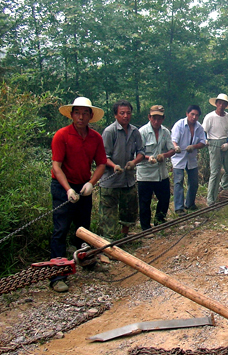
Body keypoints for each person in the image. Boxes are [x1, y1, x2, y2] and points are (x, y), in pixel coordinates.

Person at [50, 97, 107, 292]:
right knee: (61, 230)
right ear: (72, 114)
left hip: (83, 186)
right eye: (77, 113)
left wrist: (91, 183)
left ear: (91, 116)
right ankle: (58, 276)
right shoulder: (62, 135)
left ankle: (87, 260)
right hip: (62, 186)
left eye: (85, 113)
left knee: (84, 228)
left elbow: (101, 163)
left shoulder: (95, 138)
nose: (81, 117)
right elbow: (56, 166)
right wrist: (67, 189)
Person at [99, 100, 145, 238]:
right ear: (115, 115)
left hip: (128, 179)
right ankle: (108, 242)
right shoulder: (109, 131)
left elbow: (141, 151)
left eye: (128, 113)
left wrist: (134, 162)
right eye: (122, 113)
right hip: (110, 181)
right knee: (108, 213)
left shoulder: (135, 131)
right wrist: (114, 166)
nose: (125, 116)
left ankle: (124, 236)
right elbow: (103, 156)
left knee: (129, 210)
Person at [137, 105, 175, 231]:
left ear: (163, 118)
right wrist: (148, 158)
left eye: (159, 118)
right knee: (145, 201)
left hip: (161, 172)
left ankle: (159, 222)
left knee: (164, 198)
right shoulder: (142, 132)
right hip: (145, 173)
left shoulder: (165, 132)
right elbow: (136, 153)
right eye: (154, 118)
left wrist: (163, 155)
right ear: (149, 117)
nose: (156, 121)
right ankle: (146, 228)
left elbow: (172, 150)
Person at [202, 94, 228, 206]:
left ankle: (222, 187)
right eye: (220, 103)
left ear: (226, 105)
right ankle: (210, 200)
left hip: (225, 142)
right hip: (213, 143)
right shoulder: (210, 117)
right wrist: (205, 140)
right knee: (215, 172)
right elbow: (203, 131)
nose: (221, 105)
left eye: (224, 103)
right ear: (216, 103)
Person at [171, 105, 207, 213]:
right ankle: (178, 207)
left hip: (191, 158)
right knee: (178, 181)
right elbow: (173, 140)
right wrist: (176, 146)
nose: (194, 117)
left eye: (196, 115)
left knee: (194, 182)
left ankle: (190, 203)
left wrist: (194, 146)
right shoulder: (179, 125)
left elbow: (202, 142)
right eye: (192, 114)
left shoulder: (199, 128)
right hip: (178, 158)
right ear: (187, 114)